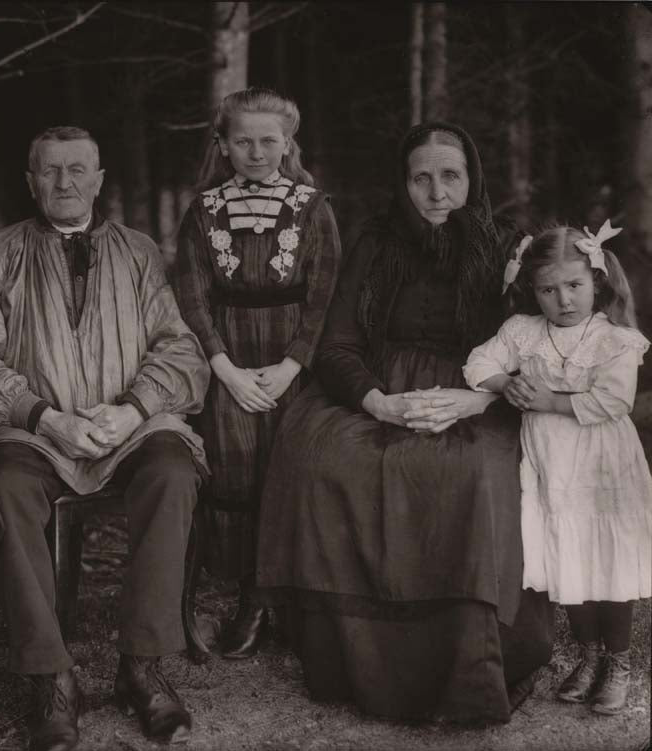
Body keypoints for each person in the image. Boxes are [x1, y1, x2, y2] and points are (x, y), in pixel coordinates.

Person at [255, 122, 555, 723]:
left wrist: (480, 399)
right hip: (377, 384)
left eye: (450, 176)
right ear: (404, 182)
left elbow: (534, 341)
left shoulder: (507, 246)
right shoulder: (375, 241)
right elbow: (337, 345)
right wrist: (378, 403)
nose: (437, 192)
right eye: (422, 178)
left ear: (471, 179)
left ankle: (471, 662)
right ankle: (344, 658)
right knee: (322, 457)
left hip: (478, 391)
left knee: (472, 470)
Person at [0, 126, 209, 750]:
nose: (64, 182)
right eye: (49, 171)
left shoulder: (139, 250)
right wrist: (46, 417)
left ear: (99, 180)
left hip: (128, 424)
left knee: (174, 470)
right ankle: (51, 677)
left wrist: (132, 408)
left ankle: (142, 668)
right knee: (5, 487)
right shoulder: (0, 250)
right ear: (30, 181)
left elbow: (179, 347)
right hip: (35, 429)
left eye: (77, 170)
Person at [173, 88, 341, 658]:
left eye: (269, 139)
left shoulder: (313, 207)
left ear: (288, 142)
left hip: (295, 357)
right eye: (242, 140)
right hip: (229, 358)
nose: (256, 151)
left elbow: (324, 295)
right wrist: (226, 370)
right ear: (222, 144)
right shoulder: (203, 210)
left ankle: (291, 594)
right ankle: (251, 594)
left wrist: (293, 364)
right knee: (237, 470)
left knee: (294, 469)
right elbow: (192, 298)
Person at [464, 222, 651, 716]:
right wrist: (505, 382)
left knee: (606, 557)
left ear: (597, 282)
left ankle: (619, 662)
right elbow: (477, 363)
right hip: (552, 464)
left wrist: (546, 398)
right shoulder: (523, 332)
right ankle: (587, 658)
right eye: (549, 289)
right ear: (533, 290)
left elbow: (614, 400)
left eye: (575, 286)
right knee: (568, 553)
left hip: (601, 462)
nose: (563, 300)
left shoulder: (614, 338)